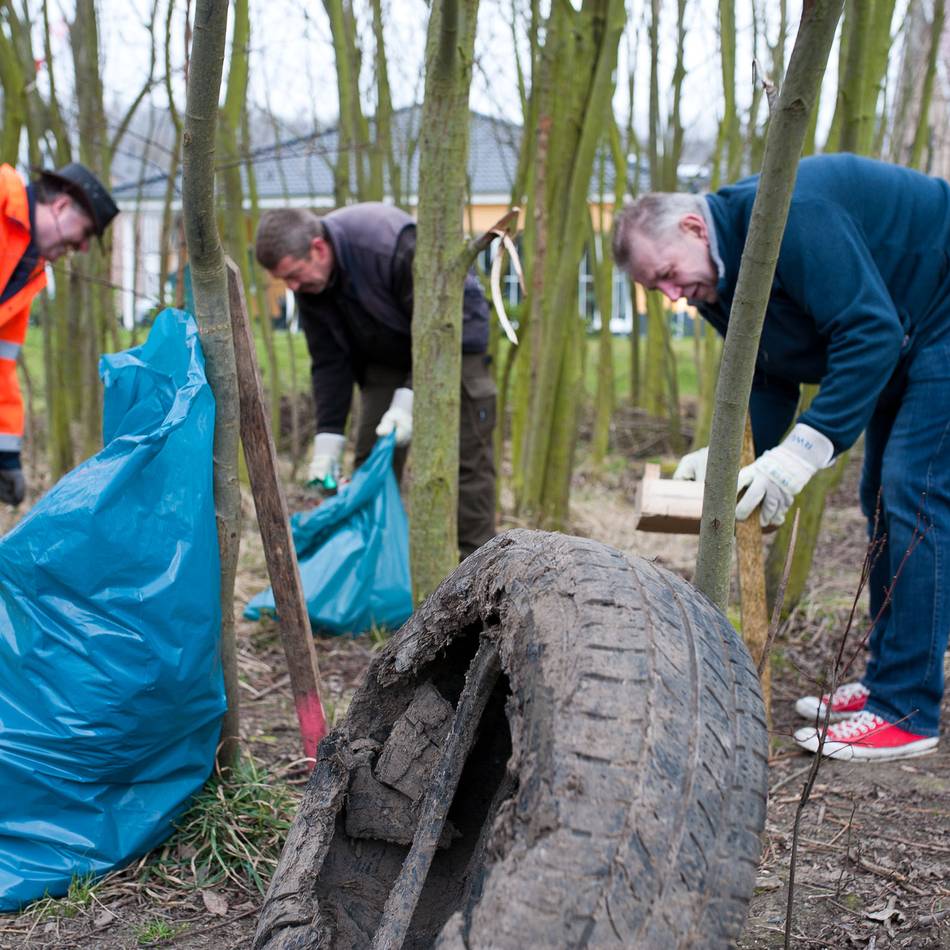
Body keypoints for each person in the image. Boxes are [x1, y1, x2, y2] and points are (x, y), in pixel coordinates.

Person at [613, 154, 950, 762]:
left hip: (937, 310)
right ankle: (886, 679)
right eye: (654, 289)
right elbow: (772, 377)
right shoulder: (719, 279)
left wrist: (798, 455)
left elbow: (867, 334)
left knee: (913, 491)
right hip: (904, 330)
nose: (671, 296)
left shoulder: (788, 216)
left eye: (666, 275)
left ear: (692, 228)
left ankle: (907, 709)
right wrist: (728, 458)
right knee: (881, 494)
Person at [255, 203, 496, 559]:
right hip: (385, 356)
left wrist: (410, 399)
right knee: (371, 465)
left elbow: (441, 328)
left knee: (466, 463)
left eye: (293, 274)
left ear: (318, 249)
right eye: (284, 280)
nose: (291, 288)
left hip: (454, 342)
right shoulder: (311, 287)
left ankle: (473, 568)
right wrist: (329, 441)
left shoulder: (389, 245)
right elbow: (329, 363)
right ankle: (374, 569)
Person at [0, 162, 118, 506]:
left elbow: (2, 365)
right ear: (61, 206)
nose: (82, 248)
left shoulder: (27, 273)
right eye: (85, 232)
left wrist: (6, 452)